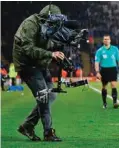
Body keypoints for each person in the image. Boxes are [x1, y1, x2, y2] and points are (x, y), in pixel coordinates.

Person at [13, 4, 65, 142]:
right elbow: (28, 49)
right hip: (27, 65)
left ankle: (27, 126)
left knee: (51, 94)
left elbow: (48, 44)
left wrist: (61, 46)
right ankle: (48, 132)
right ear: (46, 18)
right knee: (44, 97)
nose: (56, 25)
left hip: (39, 64)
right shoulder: (30, 24)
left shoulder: (46, 26)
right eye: (54, 21)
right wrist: (50, 54)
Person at [95, 35, 119, 109]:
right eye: (105, 39)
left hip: (113, 70)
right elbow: (96, 62)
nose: (106, 40)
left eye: (107, 39)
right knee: (104, 87)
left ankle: (115, 102)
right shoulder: (99, 51)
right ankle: (104, 103)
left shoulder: (115, 49)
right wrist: (97, 72)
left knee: (114, 85)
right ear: (103, 41)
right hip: (104, 70)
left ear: (110, 40)